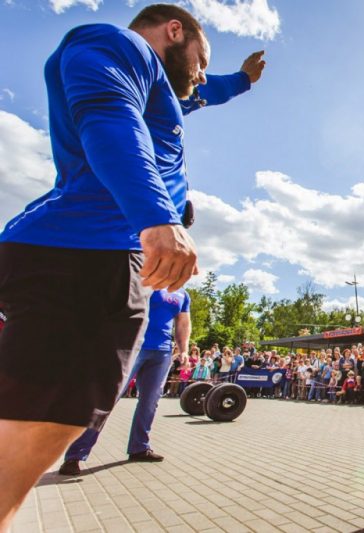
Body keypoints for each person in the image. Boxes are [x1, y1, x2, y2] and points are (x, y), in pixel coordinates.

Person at [0, 5, 214, 527]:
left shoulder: (158, 89)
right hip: (85, 257)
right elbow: (108, 111)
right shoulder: (119, 45)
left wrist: (245, 82)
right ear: (174, 31)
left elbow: (204, 93)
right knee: (43, 420)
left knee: (42, 417)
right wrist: (157, 215)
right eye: (203, 61)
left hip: (80, 253)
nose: (204, 75)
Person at [58, 289, 191, 476]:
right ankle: (75, 456)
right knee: (108, 399)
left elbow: (183, 323)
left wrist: (184, 350)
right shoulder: (147, 282)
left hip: (162, 352)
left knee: (150, 402)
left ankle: (139, 448)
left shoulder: (183, 295)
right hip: (133, 346)